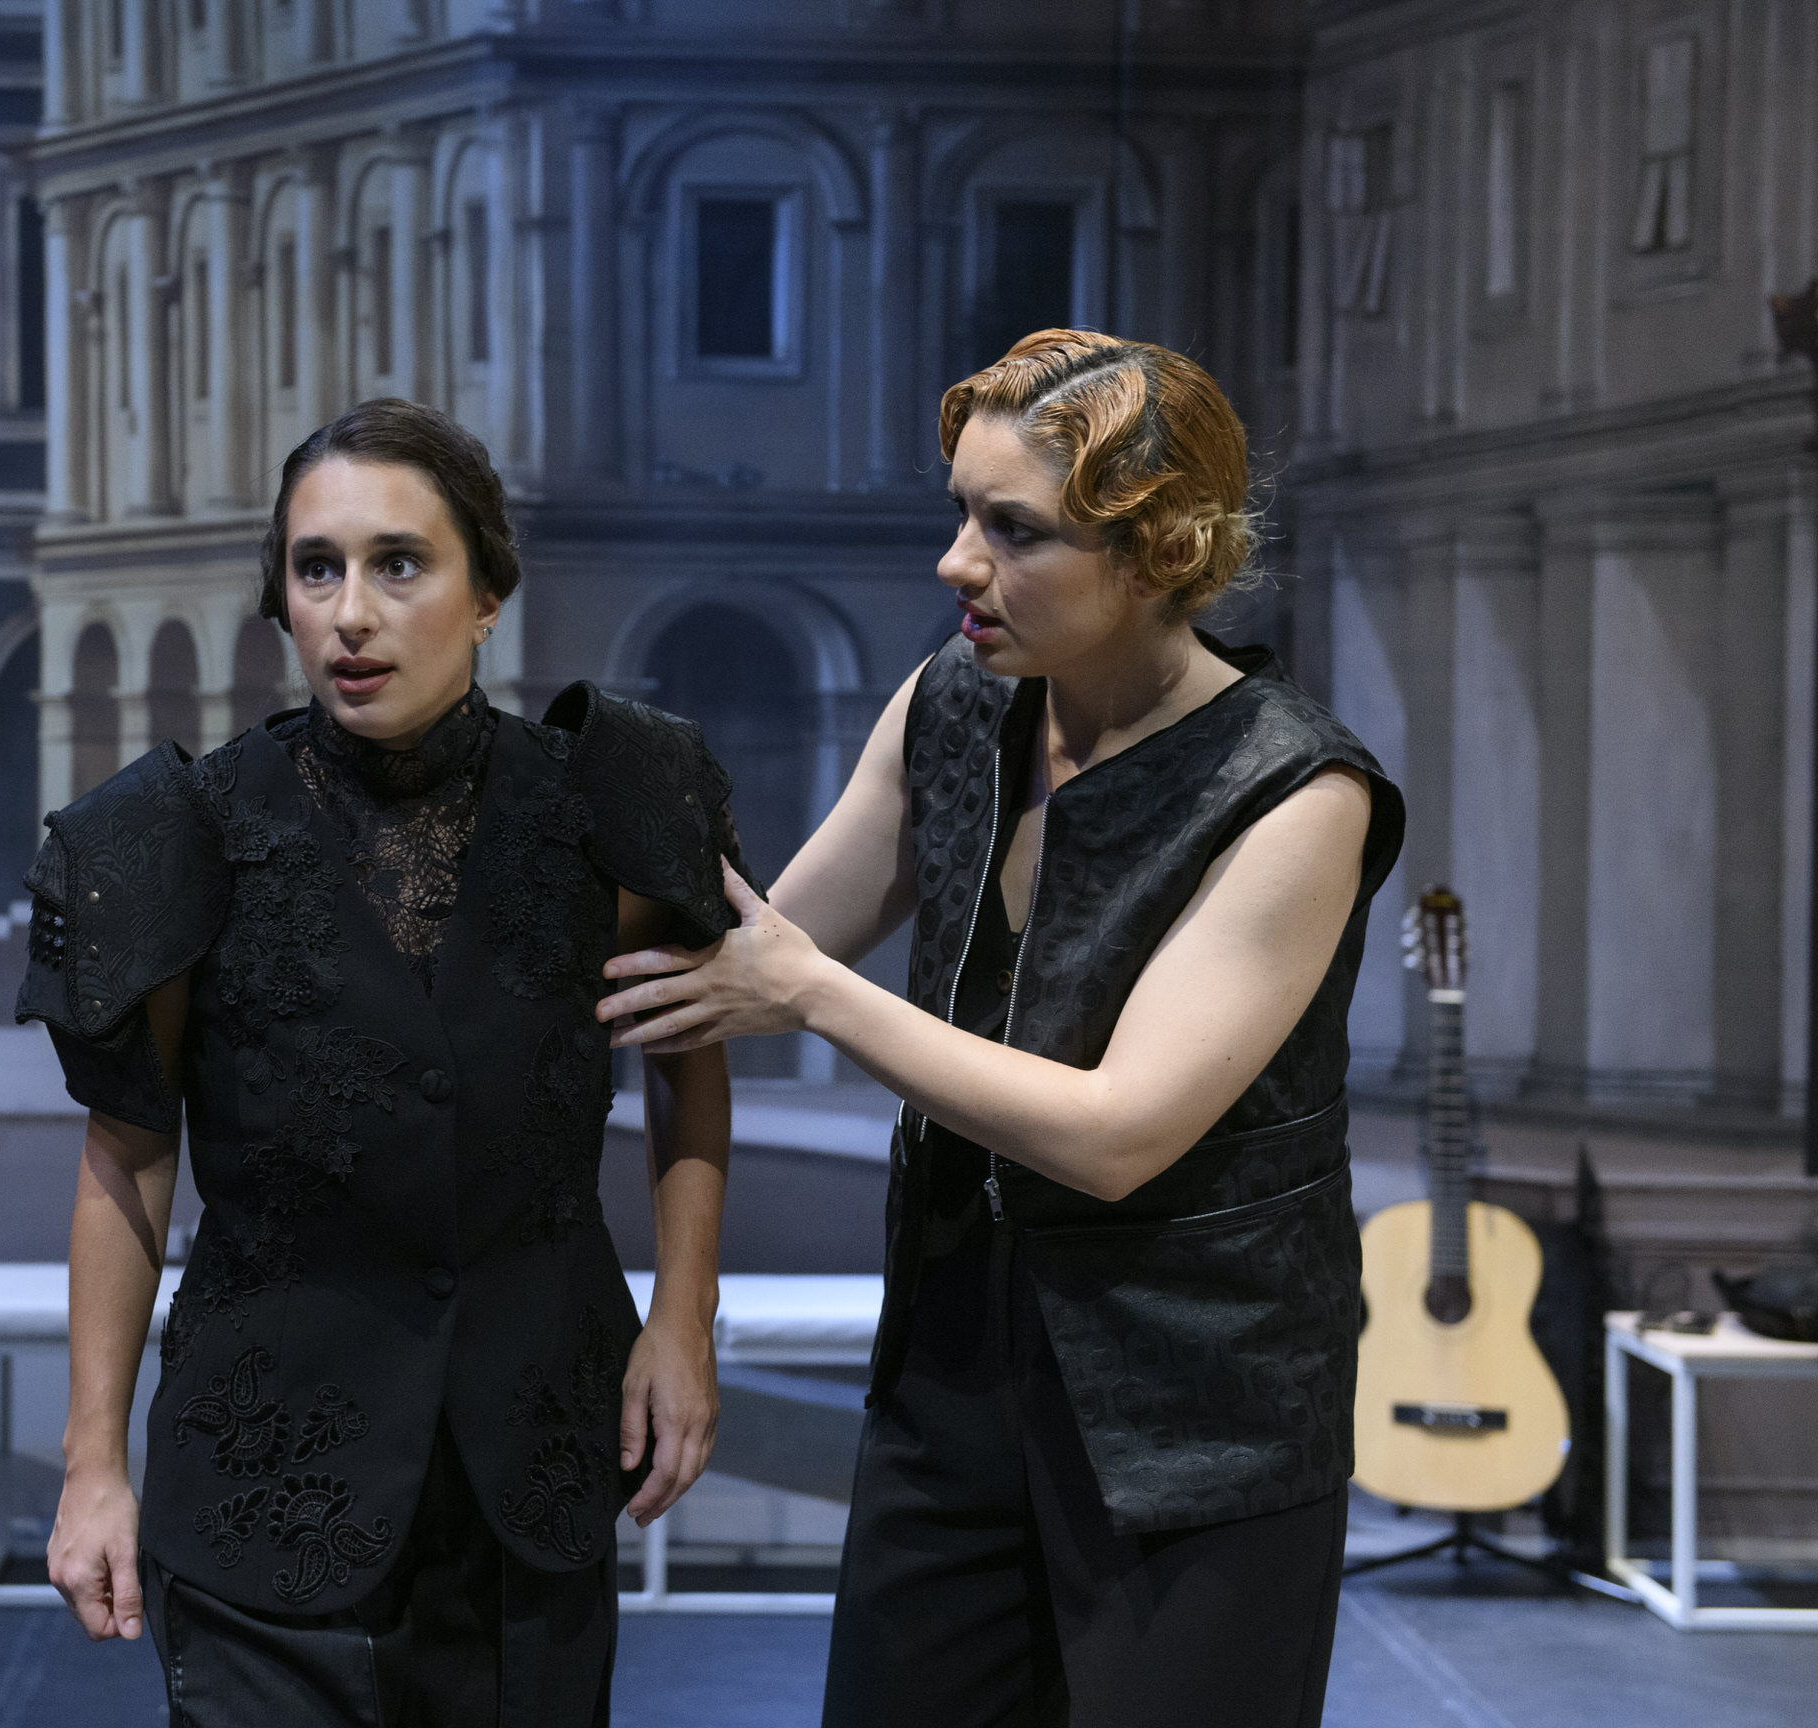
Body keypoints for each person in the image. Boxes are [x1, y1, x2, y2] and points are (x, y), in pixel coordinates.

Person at [597, 330, 1406, 1727]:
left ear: (1160, 548)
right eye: (960, 513)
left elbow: (1117, 1135)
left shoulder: (1296, 792)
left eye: (1012, 531)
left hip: (1197, 1417)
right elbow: (743, 951)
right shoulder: (952, 705)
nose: (956, 564)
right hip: (953, 1366)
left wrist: (811, 994)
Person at [19, 398, 740, 1727]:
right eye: (317, 569)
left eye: (399, 564)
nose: (351, 613)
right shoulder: (174, 835)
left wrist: (684, 1320)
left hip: (530, 1474)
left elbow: (688, 1062)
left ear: (488, 595)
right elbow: (125, 1154)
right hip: (258, 1482)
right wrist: (91, 1462)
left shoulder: (613, 801)